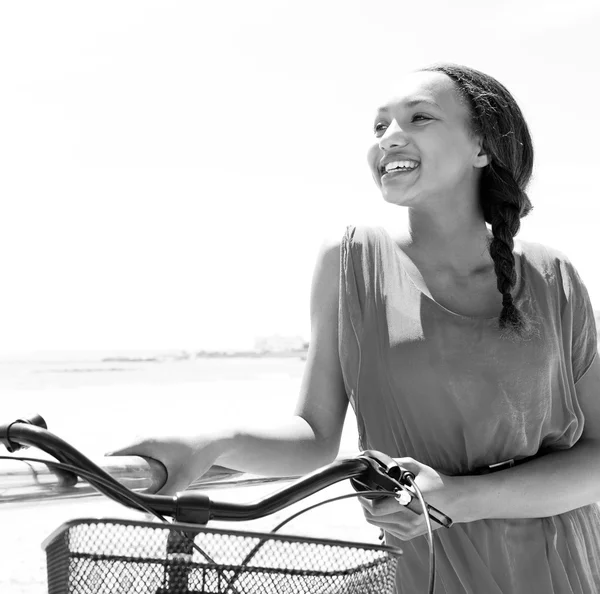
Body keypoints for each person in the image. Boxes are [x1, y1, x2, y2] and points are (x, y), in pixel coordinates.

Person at [110, 63, 600, 593]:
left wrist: (458, 498)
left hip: (562, 568)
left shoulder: (554, 277)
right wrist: (210, 442)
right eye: (379, 126)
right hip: (425, 571)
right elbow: (315, 438)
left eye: (419, 117)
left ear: (482, 146)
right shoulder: (351, 261)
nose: (389, 138)